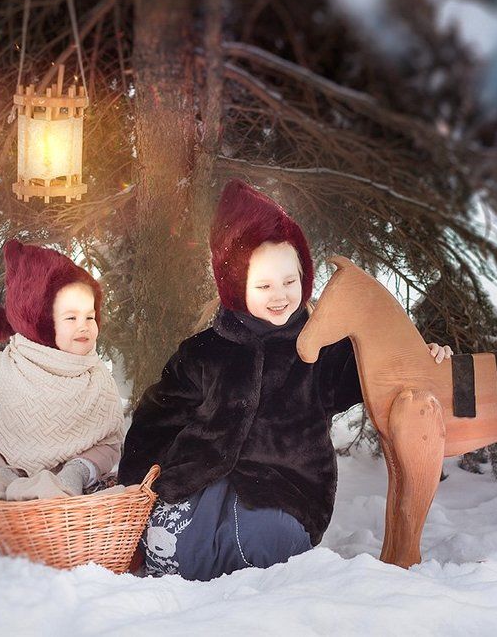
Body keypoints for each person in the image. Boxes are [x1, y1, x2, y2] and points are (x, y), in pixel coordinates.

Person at [118, 179, 451, 580]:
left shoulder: (321, 348)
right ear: (236, 286)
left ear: (303, 279)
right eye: (264, 286)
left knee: (263, 542)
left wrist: (419, 358)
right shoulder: (203, 352)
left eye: (289, 282)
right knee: (171, 544)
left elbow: (378, 372)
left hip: (285, 491)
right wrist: (136, 487)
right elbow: (156, 420)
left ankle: (246, 568)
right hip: (202, 482)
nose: (279, 296)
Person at [0, 239, 124, 519]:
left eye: (90, 316)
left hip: (71, 513)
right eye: (71, 318)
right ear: (38, 319)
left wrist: (79, 470)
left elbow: (109, 442)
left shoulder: (98, 380)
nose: (84, 327)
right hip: (3, 505)